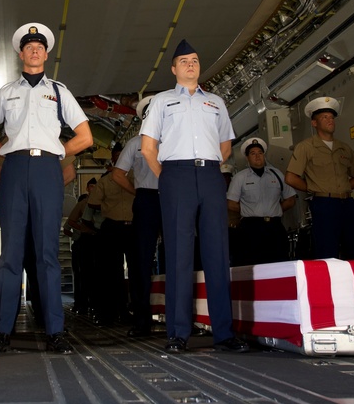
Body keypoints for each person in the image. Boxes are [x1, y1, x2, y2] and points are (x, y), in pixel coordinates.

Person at [0, 23, 92, 355]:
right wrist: (5, 153)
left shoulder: (59, 92)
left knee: (47, 254)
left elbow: (85, 136)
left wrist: (58, 152)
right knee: (11, 253)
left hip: (47, 170)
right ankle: (2, 331)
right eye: (29, 46)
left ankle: (55, 330)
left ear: (47, 53)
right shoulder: (6, 92)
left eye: (40, 45)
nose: (35, 50)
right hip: (13, 168)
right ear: (21, 53)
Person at [140, 39, 249, 354]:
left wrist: (211, 166)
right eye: (184, 60)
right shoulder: (161, 102)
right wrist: (168, 178)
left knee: (218, 252)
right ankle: (177, 332)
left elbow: (225, 144)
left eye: (195, 60)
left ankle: (224, 333)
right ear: (173, 68)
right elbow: (149, 148)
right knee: (179, 254)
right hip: (176, 175)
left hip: (211, 174)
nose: (191, 64)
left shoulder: (215, 101)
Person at [285, 96, 354, 259]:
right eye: (324, 117)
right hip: (324, 204)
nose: (330, 120)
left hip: (348, 203)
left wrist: (343, 186)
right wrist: (314, 188)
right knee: (327, 251)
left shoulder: (344, 148)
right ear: (314, 123)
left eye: (331, 117)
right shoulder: (306, 147)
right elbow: (291, 178)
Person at [113, 96, 163, 337]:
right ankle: (142, 321)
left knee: (179, 258)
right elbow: (118, 174)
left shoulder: (176, 141)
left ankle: (180, 319)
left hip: (173, 199)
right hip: (147, 200)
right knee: (141, 262)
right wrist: (138, 192)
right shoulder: (136, 143)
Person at [87, 145, 136, 326]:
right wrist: (109, 208)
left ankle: (136, 312)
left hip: (133, 227)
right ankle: (111, 313)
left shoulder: (137, 178)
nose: (119, 160)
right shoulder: (105, 181)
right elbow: (92, 203)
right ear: (113, 160)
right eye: (116, 157)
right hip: (112, 228)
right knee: (110, 273)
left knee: (137, 271)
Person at [228, 137, 296, 265]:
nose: (257, 157)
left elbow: (290, 199)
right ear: (247, 157)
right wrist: (248, 210)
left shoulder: (277, 174)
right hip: (251, 228)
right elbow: (231, 203)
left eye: (260, 153)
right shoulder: (240, 178)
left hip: (274, 227)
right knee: (252, 264)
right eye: (253, 154)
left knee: (279, 263)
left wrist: (276, 209)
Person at [66, 178, 98, 316]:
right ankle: (83, 303)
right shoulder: (83, 204)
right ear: (87, 188)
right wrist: (82, 230)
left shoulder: (104, 202)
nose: (94, 189)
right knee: (83, 273)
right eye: (91, 186)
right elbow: (70, 222)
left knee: (98, 274)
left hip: (99, 240)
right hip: (84, 241)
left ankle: (96, 303)